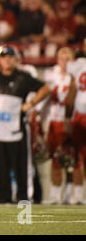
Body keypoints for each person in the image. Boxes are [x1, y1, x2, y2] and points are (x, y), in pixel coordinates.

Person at [0, 45, 51, 203]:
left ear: (15, 59)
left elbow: (45, 88)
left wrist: (30, 103)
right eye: (3, 57)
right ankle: (3, 198)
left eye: (10, 57)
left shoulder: (23, 77)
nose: (6, 60)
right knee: (0, 169)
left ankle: (24, 199)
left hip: (16, 129)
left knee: (21, 168)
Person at [42, 47, 81, 204]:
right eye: (61, 57)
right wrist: (40, 118)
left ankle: (77, 196)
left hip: (74, 120)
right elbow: (45, 99)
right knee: (57, 160)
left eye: (68, 57)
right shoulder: (52, 74)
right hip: (56, 121)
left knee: (77, 160)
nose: (64, 60)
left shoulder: (79, 75)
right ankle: (55, 195)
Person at [66, 50, 86, 204]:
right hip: (80, 116)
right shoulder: (78, 65)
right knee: (78, 156)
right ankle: (78, 195)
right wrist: (68, 116)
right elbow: (72, 92)